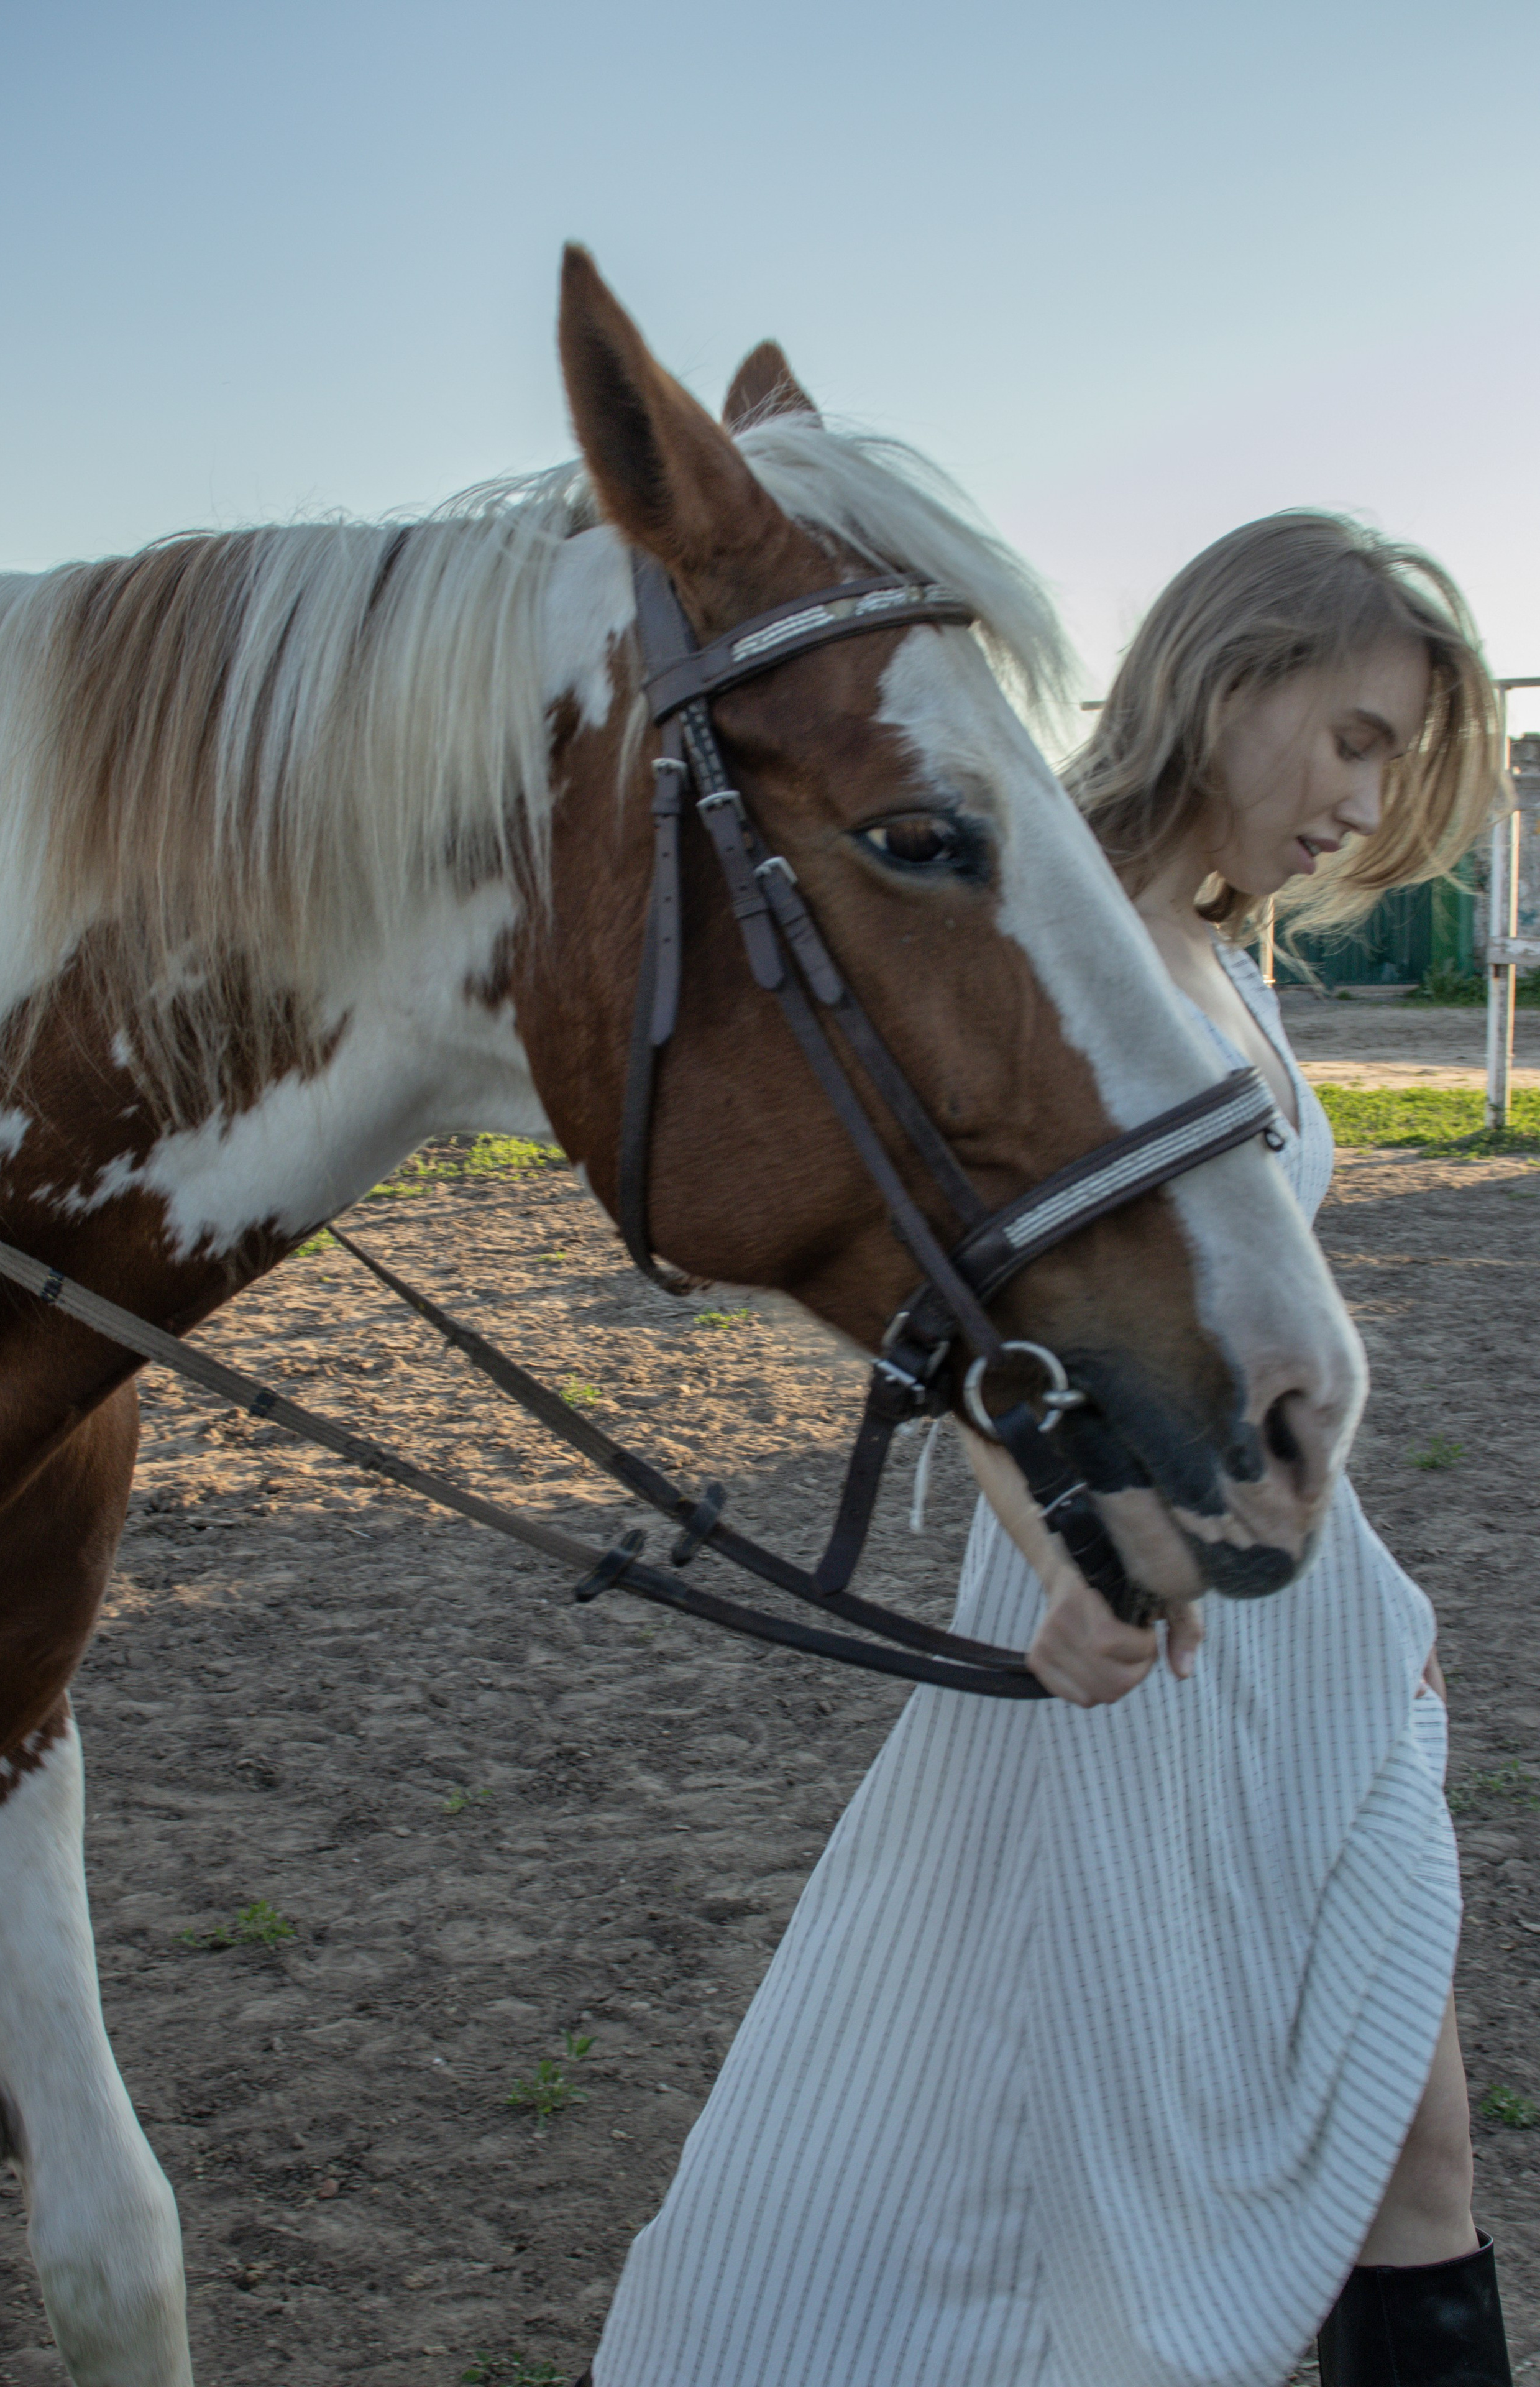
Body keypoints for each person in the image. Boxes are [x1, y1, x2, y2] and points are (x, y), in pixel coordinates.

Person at [586, 514, 1510, 2387]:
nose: (1369, 798)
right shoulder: (1021, 915)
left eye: (1397, 761)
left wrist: (1374, 1605)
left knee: (1411, 2141)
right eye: (1353, 734)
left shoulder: (1223, 961)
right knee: (1033, 2170)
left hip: (1300, 1633)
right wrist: (1057, 1532)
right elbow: (945, 1305)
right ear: (1228, 675)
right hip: (1131, 1631)